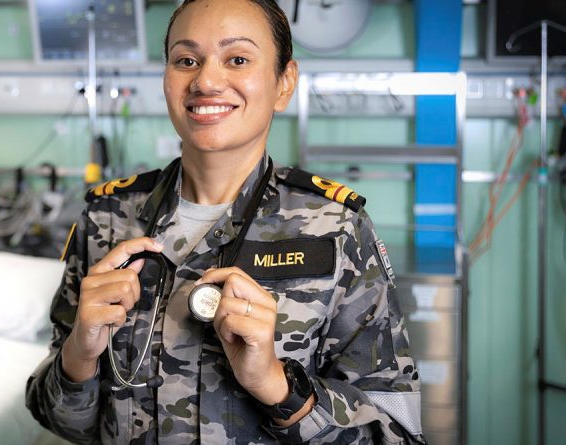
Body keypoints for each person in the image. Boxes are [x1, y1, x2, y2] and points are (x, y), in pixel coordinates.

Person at [26, 0, 425, 443]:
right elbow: (61, 421)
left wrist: (277, 387)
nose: (207, 81)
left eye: (237, 59)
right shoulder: (107, 220)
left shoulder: (335, 228)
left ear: (283, 83)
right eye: (186, 60)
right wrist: (79, 355)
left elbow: (397, 433)